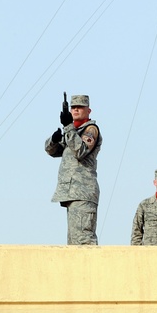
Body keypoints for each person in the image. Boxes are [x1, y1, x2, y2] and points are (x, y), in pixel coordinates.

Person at [45, 94, 101, 245]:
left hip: (83, 191)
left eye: (80, 107)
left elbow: (80, 151)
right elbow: (52, 151)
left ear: (88, 110)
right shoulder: (73, 131)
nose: (75, 110)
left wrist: (69, 127)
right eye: (73, 107)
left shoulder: (90, 130)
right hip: (71, 193)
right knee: (73, 243)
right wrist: (54, 139)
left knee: (84, 240)